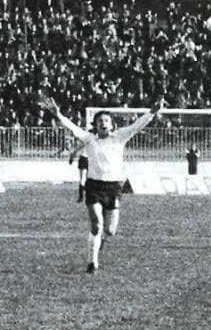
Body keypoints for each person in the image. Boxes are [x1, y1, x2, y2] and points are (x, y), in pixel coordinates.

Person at [41, 97, 163, 272]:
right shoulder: (90, 139)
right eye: (100, 121)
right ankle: (92, 262)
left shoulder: (120, 137)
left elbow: (137, 125)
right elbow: (72, 128)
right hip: (94, 186)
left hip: (113, 188)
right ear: (95, 125)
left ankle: (99, 243)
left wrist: (152, 112)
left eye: (106, 120)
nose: (103, 123)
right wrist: (58, 113)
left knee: (111, 230)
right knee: (96, 224)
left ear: (112, 124)